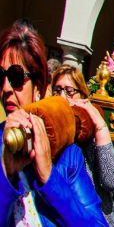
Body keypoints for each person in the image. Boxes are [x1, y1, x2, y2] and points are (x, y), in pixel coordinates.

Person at [0, 20, 108, 225]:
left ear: (39, 87)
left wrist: (49, 178)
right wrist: (6, 177)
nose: (5, 88)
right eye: (0, 78)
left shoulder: (68, 156)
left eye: (15, 77)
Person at [51, 65, 114, 226]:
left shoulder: (90, 136)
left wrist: (100, 128)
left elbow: (113, 181)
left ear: (83, 95)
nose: (63, 98)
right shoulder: (50, 132)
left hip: (99, 219)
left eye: (70, 91)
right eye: (57, 90)